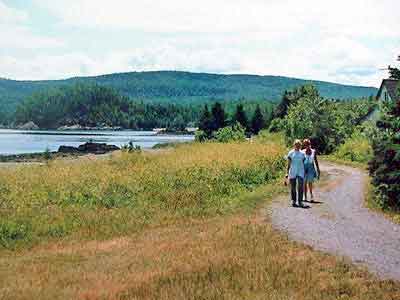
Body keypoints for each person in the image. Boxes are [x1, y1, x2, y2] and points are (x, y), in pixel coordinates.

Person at [286, 139, 305, 207]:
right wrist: (287, 173)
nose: (297, 146)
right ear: (294, 145)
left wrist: (305, 171)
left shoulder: (302, 153)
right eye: (296, 145)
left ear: (300, 146)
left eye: (299, 145)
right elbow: (288, 164)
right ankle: (294, 200)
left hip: (300, 171)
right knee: (293, 187)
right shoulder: (291, 153)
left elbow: (303, 163)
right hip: (293, 171)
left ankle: (300, 201)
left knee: (300, 186)